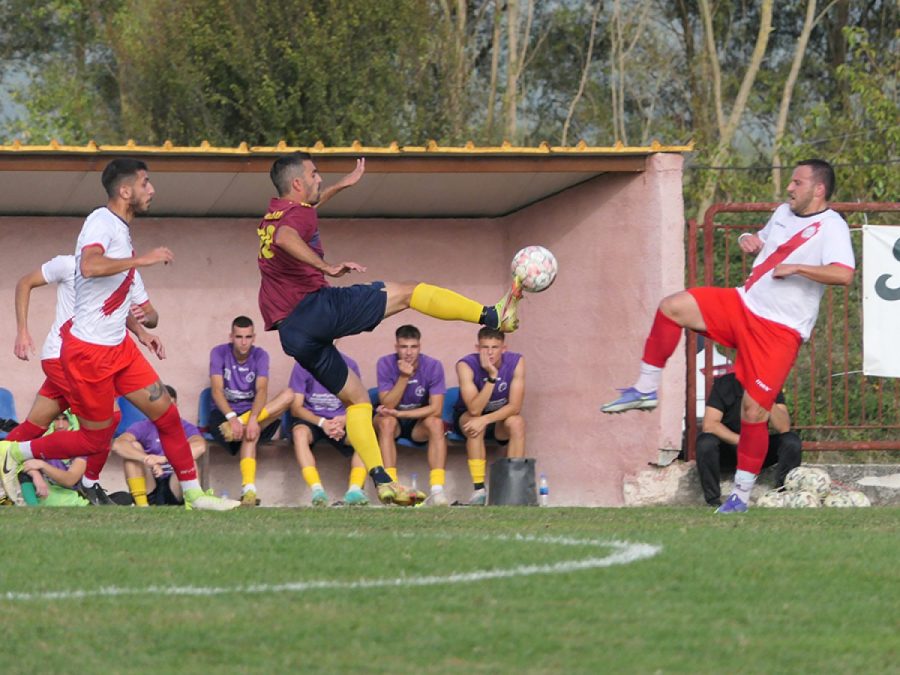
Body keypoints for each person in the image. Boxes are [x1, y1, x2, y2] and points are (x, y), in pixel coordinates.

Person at [257, 152, 524, 506]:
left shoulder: (274, 213)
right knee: (410, 292)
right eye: (315, 174)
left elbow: (300, 214)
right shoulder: (295, 218)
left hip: (293, 332)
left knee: (355, 401)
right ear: (297, 182)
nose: (319, 179)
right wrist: (327, 266)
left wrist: (342, 185)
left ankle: (383, 481)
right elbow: (289, 238)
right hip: (315, 309)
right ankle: (493, 316)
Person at [601, 159, 854, 513]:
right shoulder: (783, 212)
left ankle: (739, 496)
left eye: (797, 183)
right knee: (672, 306)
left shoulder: (832, 226)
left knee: (754, 411)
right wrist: (746, 238)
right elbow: (761, 240)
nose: (790, 188)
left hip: (780, 331)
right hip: (743, 304)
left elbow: (843, 274)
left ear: (819, 189)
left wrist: (797, 267)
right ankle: (645, 388)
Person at [0, 158, 238, 511]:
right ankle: (17, 453)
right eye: (145, 183)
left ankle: (194, 496)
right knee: (95, 438)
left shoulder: (124, 243)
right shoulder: (101, 220)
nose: (152, 189)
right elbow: (89, 265)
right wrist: (141, 261)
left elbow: (147, 311)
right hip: (87, 353)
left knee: (168, 417)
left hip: (120, 350)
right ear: (125, 191)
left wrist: (147, 325)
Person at [208, 315, 294, 506]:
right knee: (251, 433)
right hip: (224, 417)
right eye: (239, 337)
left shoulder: (261, 355)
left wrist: (252, 418)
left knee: (289, 395)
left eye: (248, 337)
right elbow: (216, 390)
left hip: (252, 414)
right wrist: (232, 418)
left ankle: (249, 491)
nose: (244, 342)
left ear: (254, 337)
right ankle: (249, 489)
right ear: (231, 337)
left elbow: (262, 390)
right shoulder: (219, 353)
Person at [696, 372, 802, 507]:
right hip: (729, 449)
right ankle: (713, 501)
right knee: (705, 442)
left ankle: (783, 496)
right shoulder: (724, 384)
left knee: (791, 441)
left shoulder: (771, 385)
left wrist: (766, 397)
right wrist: (742, 441)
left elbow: (783, 427)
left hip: (758, 451)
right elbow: (710, 424)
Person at [374, 325, 449, 506]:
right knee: (386, 422)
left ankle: (437, 490)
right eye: (404, 347)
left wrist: (402, 412)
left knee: (436, 423)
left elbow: (436, 408)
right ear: (396, 347)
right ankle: (391, 486)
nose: (408, 352)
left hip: (417, 423)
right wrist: (404, 376)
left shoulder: (433, 365)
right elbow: (388, 404)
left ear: (420, 347)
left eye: (413, 347)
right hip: (393, 421)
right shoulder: (384, 363)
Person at [286, 350, 370, 507]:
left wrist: (344, 420)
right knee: (299, 433)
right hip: (314, 420)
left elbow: (358, 403)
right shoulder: (302, 364)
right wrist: (322, 423)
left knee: (365, 436)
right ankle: (317, 491)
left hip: (340, 422)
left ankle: (355, 490)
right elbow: (296, 408)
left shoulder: (349, 365)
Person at [455, 327, 526, 505]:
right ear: (477, 348)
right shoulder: (465, 365)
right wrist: (492, 378)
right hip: (468, 419)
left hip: (498, 420)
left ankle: (513, 489)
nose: (489, 352)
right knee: (473, 423)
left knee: (517, 422)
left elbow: (515, 407)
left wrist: (485, 420)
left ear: (504, 348)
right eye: (485, 347)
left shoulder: (516, 362)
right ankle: (479, 490)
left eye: (495, 347)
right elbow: (474, 410)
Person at [112, 384, 207, 506]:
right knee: (133, 449)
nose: (168, 409)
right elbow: (118, 444)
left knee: (190, 461)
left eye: (171, 404)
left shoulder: (185, 427)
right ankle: (141, 505)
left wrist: (163, 459)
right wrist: (147, 459)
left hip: (175, 482)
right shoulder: (144, 425)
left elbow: (200, 446)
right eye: (164, 405)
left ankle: (191, 504)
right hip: (151, 480)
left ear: (176, 405)